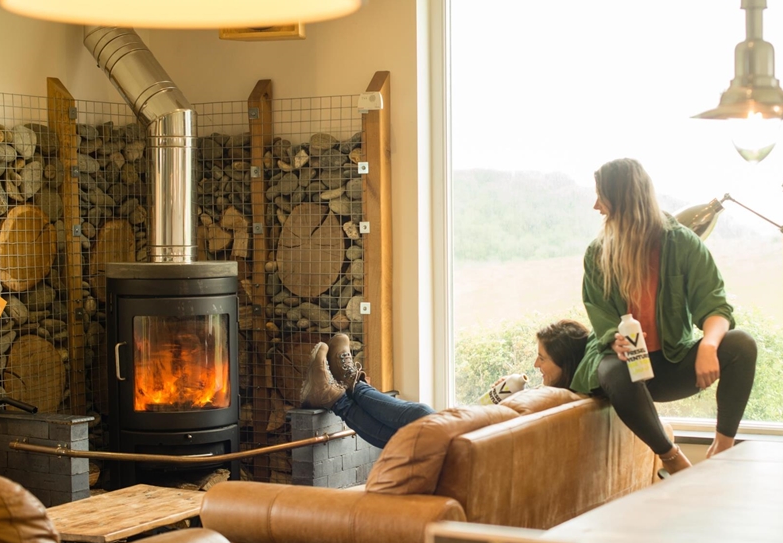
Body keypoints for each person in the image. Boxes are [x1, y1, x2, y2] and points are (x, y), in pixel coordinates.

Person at [571, 158, 757, 476]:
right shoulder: (597, 253)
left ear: (623, 199)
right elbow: (598, 311)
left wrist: (710, 346)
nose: (596, 206)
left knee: (741, 344)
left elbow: (716, 308)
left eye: (602, 196)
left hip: (672, 366)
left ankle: (722, 449)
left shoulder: (682, 244)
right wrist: (612, 339)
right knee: (614, 369)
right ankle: (672, 459)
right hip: (626, 374)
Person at [300, 319, 590, 448]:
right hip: (477, 441)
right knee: (406, 435)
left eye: (543, 358)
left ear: (565, 363)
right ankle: (337, 395)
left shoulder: (560, 400)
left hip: (478, 446)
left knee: (422, 417)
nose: (536, 365)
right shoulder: (557, 396)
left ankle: (349, 388)